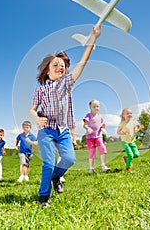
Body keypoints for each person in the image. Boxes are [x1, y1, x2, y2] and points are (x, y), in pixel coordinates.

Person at [29, 25, 102, 207]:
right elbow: (32, 109)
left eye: (63, 66)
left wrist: (92, 39)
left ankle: (56, 177)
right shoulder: (40, 89)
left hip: (63, 131)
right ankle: (43, 197)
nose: (60, 68)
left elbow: (82, 64)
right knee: (49, 162)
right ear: (47, 70)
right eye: (56, 65)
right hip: (46, 131)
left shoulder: (66, 83)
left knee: (70, 159)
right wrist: (37, 118)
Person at [83, 99, 110, 174]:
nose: (96, 108)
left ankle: (103, 166)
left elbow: (101, 125)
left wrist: (102, 127)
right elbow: (84, 125)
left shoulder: (100, 117)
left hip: (98, 136)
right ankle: (91, 169)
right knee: (92, 152)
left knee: (103, 148)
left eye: (97, 106)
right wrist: (88, 128)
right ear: (90, 107)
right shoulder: (88, 116)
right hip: (90, 137)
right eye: (94, 106)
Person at [117, 108, 144, 172]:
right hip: (125, 142)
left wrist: (139, 128)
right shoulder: (122, 123)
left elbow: (134, 131)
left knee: (136, 155)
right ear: (123, 115)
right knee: (131, 155)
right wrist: (123, 133)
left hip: (132, 141)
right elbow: (118, 132)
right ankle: (128, 167)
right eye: (128, 113)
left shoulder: (133, 123)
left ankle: (126, 158)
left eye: (131, 113)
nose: (130, 114)